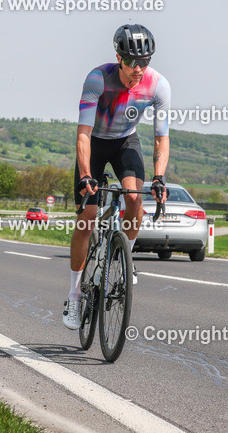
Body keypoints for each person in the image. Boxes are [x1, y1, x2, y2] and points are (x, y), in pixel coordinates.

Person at [62, 24, 171, 330]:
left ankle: (123, 261)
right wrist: (85, 175)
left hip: (126, 142)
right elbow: (82, 134)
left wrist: (159, 177)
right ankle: (73, 294)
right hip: (95, 143)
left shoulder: (158, 85)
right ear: (118, 57)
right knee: (88, 215)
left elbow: (161, 138)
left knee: (135, 200)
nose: (139, 68)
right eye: (132, 61)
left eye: (145, 62)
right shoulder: (98, 78)